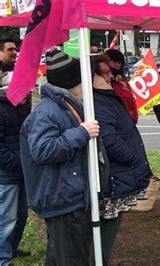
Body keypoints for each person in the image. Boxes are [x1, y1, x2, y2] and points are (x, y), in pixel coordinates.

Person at [20, 49, 100, 265]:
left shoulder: (63, 106)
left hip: (66, 196)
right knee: (72, 258)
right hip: (63, 199)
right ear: (73, 82)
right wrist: (81, 133)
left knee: (59, 256)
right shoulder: (47, 111)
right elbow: (42, 150)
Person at [92, 56, 150, 264]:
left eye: (110, 72)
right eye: (104, 73)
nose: (110, 77)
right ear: (92, 77)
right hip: (114, 177)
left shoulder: (106, 95)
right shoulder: (97, 101)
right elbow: (108, 139)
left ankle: (101, 260)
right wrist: (133, 156)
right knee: (105, 230)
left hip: (117, 175)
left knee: (109, 228)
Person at [0, 38, 31, 265]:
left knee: (20, 216)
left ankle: (10, 248)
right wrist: (15, 161)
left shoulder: (16, 104)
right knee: (6, 218)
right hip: (8, 170)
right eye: (10, 49)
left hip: (19, 167)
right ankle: (3, 258)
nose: (15, 52)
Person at [105, 48, 139, 124]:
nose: (117, 65)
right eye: (114, 62)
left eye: (119, 62)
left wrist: (134, 117)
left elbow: (131, 99)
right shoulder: (103, 81)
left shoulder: (123, 82)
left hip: (128, 121)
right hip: (113, 121)